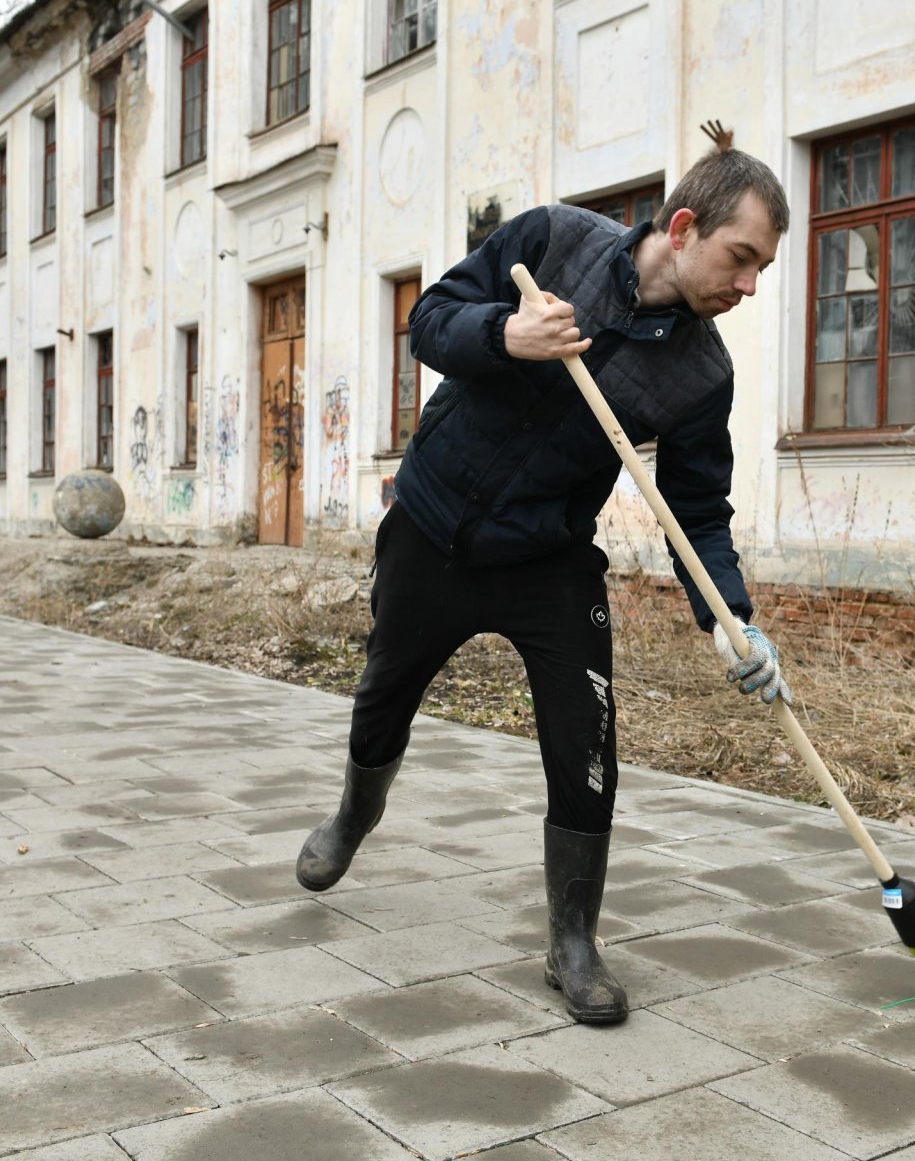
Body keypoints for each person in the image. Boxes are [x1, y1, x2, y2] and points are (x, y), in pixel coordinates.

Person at [295, 145, 794, 1025]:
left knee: (585, 738)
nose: (749, 286)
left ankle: (573, 941)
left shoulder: (701, 374)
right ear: (684, 229)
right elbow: (432, 320)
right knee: (383, 696)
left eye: (761, 268)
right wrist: (507, 337)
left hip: (550, 556)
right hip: (435, 524)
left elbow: (699, 511)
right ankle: (352, 816)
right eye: (741, 258)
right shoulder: (555, 241)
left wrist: (733, 622)